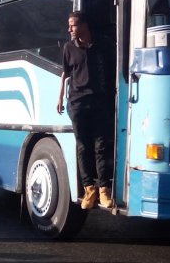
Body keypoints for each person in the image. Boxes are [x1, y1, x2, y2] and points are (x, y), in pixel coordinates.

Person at [57, 11, 115, 209]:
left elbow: (112, 69)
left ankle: (104, 190)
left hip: (100, 102)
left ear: (84, 26)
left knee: (102, 146)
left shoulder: (104, 45)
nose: (70, 29)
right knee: (83, 147)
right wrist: (60, 98)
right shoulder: (68, 48)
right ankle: (89, 189)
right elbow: (65, 74)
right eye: (69, 26)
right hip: (77, 103)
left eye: (72, 25)